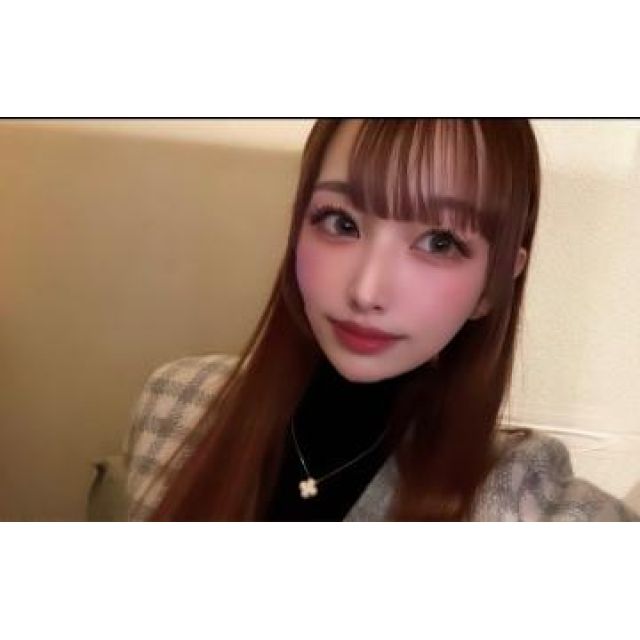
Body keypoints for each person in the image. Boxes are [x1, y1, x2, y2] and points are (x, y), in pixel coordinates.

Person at [124, 118, 639, 521]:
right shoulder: (174, 402)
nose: (366, 292)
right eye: (340, 222)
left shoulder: (524, 500)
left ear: (494, 284)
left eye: (440, 242)